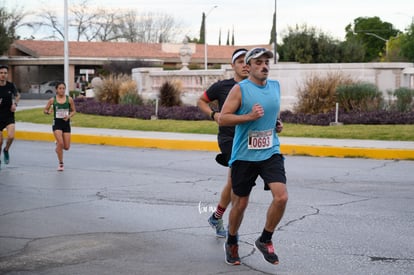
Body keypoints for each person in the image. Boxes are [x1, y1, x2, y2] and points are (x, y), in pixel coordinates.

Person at [218, 48, 287, 265]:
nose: (264, 66)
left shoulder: (275, 86)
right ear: (248, 67)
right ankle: (231, 241)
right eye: (258, 62)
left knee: (281, 196)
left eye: (266, 62)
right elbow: (223, 118)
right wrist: (248, 116)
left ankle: (265, 239)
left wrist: (277, 124)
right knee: (240, 204)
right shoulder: (240, 90)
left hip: (270, 151)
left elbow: (273, 111)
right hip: (244, 156)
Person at [197, 48, 249, 238]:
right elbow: (202, 100)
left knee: (232, 180)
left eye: (247, 61)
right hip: (228, 139)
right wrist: (214, 114)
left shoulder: (257, 87)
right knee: (237, 182)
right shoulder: (222, 87)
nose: (245, 65)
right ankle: (232, 229)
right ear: (232, 65)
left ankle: (216, 217)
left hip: (248, 140)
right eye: (240, 61)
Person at [43, 82, 76, 171]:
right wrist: (48, 112)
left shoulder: (69, 99)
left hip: (66, 123)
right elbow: (45, 110)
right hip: (57, 123)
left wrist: (69, 116)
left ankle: (58, 147)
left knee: (66, 147)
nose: (62, 90)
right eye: (60, 88)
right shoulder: (52, 100)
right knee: (61, 143)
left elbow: (74, 111)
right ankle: (61, 163)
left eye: (63, 88)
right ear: (56, 90)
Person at [0, 65, 20, 168]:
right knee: (0, 141)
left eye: (5, 73)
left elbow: (17, 96)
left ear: (7, 74)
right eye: (1, 73)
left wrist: (15, 104)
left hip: (8, 115)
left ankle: (6, 150)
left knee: (11, 136)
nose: (3, 75)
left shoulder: (11, 85)